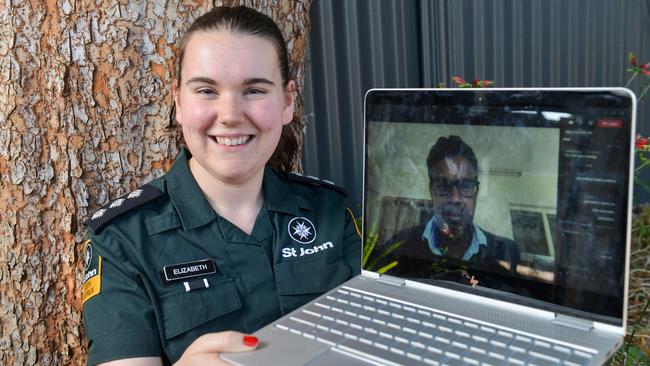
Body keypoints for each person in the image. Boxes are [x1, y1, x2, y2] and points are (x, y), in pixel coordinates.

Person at [80, 6, 360, 366]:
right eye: (207, 90)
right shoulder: (124, 240)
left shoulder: (330, 212)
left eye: (255, 90)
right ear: (179, 102)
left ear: (287, 102)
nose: (229, 114)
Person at [369, 135, 519, 280]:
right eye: (442, 185)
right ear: (431, 191)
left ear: (476, 192)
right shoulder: (399, 245)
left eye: (466, 185)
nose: (455, 198)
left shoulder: (505, 251)